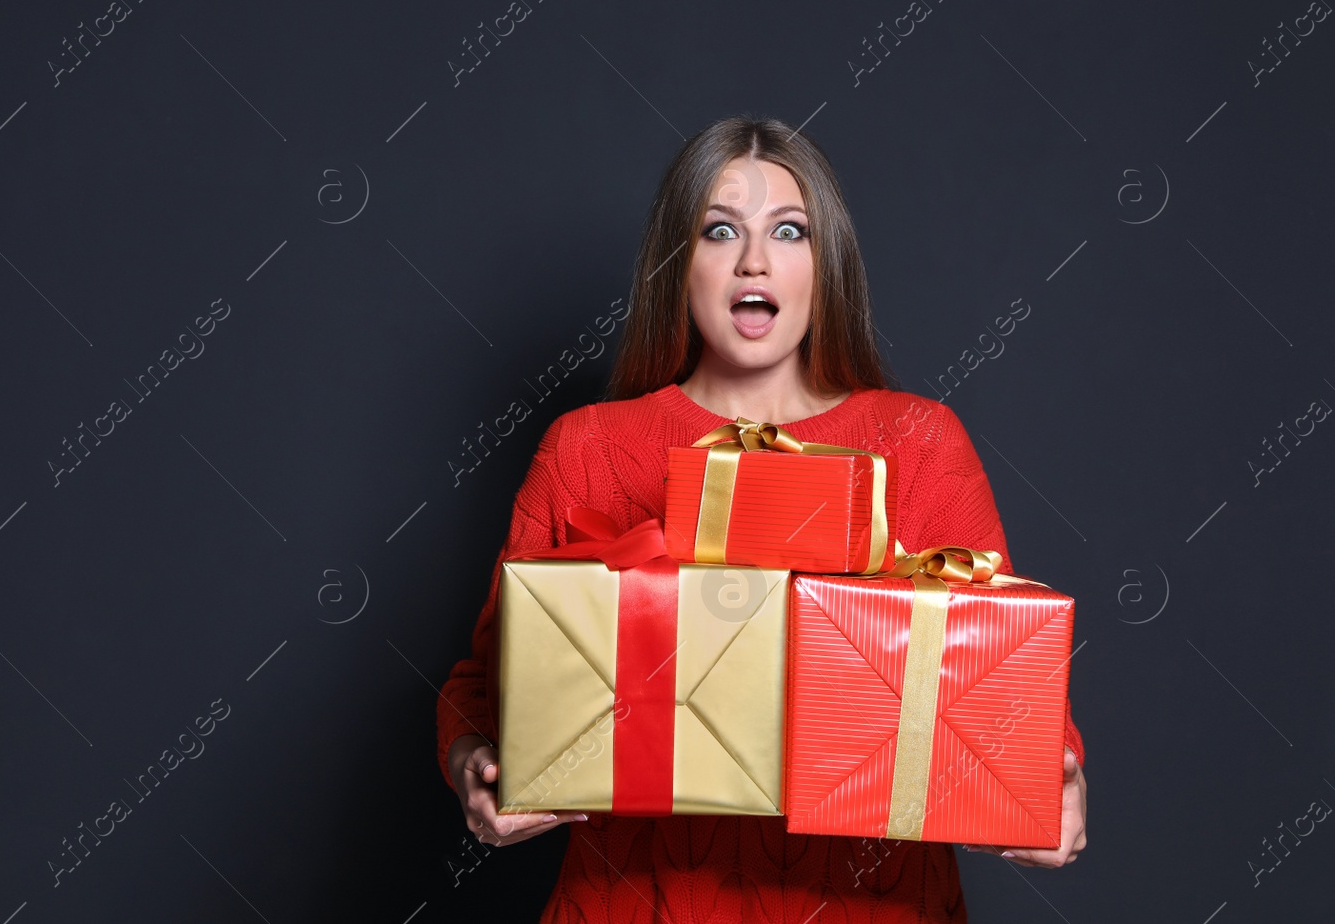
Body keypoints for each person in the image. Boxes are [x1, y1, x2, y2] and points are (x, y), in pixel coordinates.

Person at [436, 116, 1087, 922]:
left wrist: (1058, 773)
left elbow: (1014, 684)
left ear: (827, 265)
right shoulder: (588, 449)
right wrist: (473, 762)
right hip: (635, 900)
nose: (754, 259)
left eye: (789, 230)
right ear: (680, 263)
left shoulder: (917, 443)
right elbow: (484, 682)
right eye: (719, 231)